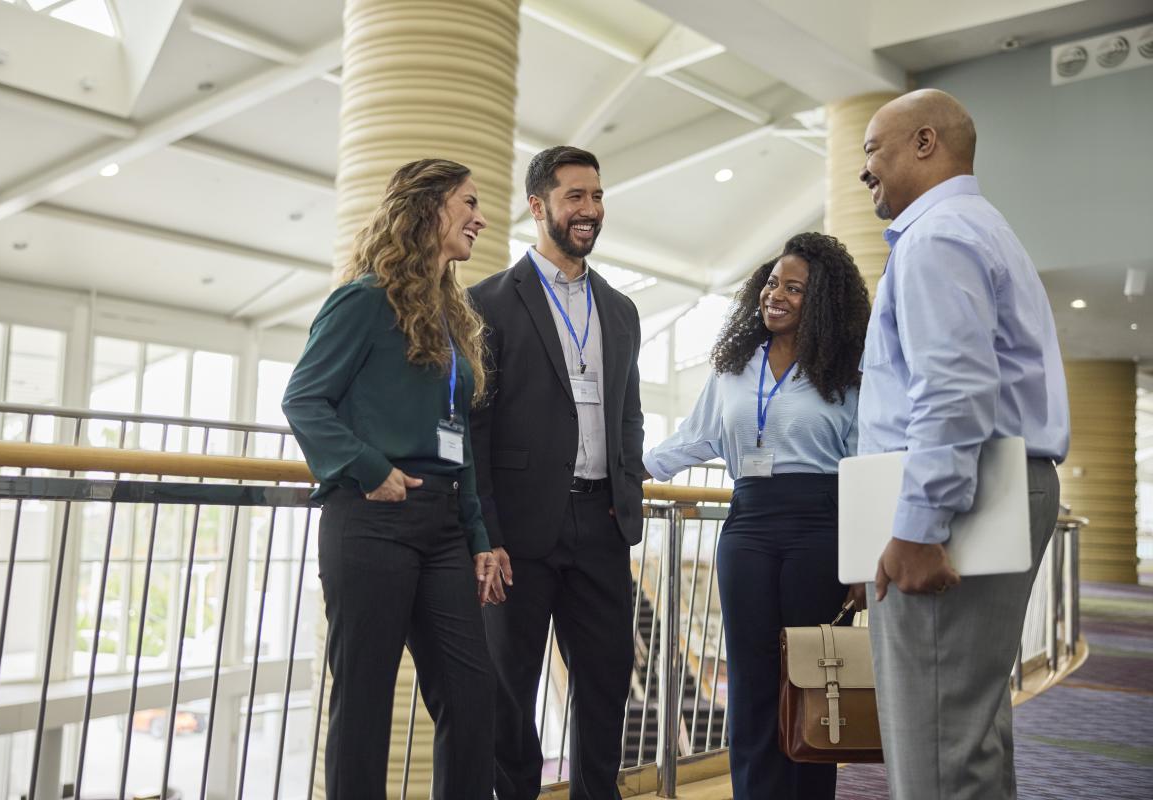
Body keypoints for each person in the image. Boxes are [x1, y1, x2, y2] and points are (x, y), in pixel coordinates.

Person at [857, 89, 1070, 800]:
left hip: (960, 496)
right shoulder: (975, 227)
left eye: (872, 150)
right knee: (966, 733)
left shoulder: (938, 236)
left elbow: (952, 394)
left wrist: (918, 528)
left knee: (937, 746)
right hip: (990, 483)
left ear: (925, 143)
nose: (864, 171)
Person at [281, 159, 501, 799]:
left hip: (441, 526)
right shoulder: (364, 300)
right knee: (365, 701)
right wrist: (371, 470)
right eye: (468, 202)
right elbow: (303, 400)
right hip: (372, 522)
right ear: (429, 208)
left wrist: (478, 534)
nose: (479, 217)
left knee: (471, 691)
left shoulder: (450, 316)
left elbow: (458, 443)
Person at [644, 232, 870, 800]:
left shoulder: (846, 373)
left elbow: (866, 459)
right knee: (750, 680)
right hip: (747, 526)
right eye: (772, 283)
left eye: (794, 289)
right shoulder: (735, 366)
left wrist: (865, 557)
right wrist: (623, 471)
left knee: (811, 679)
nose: (777, 295)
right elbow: (694, 438)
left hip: (820, 527)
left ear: (821, 303)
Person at [468, 145, 644, 799]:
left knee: (605, 682)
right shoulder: (486, 302)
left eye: (597, 196)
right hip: (518, 530)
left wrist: (627, 494)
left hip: (601, 522)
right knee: (508, 690)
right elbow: (475, 431)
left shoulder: (621, 309)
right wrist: (486, 533)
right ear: (537, 205)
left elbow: (630, 413)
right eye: (576, 197)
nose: (591, 211)